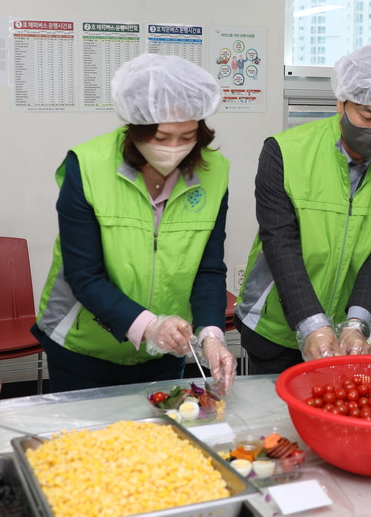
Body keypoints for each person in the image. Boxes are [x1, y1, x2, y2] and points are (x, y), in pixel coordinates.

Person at [32, 53, 236, 393]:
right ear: (135, 128)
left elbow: (209, 269)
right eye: (161, 137)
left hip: (168, 347)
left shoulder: (214, 173)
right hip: (84, 347)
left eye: (187, 137)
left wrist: (211, 336)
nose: (175, 149)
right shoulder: (88, 167)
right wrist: (148, 325)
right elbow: (84, 275)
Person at [234, 45, 371, 374]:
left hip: (339, 326)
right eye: (366, 115)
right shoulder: (284, 152)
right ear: (341, 102)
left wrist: (357, 322)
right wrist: (312, 325)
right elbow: (281, 244)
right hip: (273, 324)